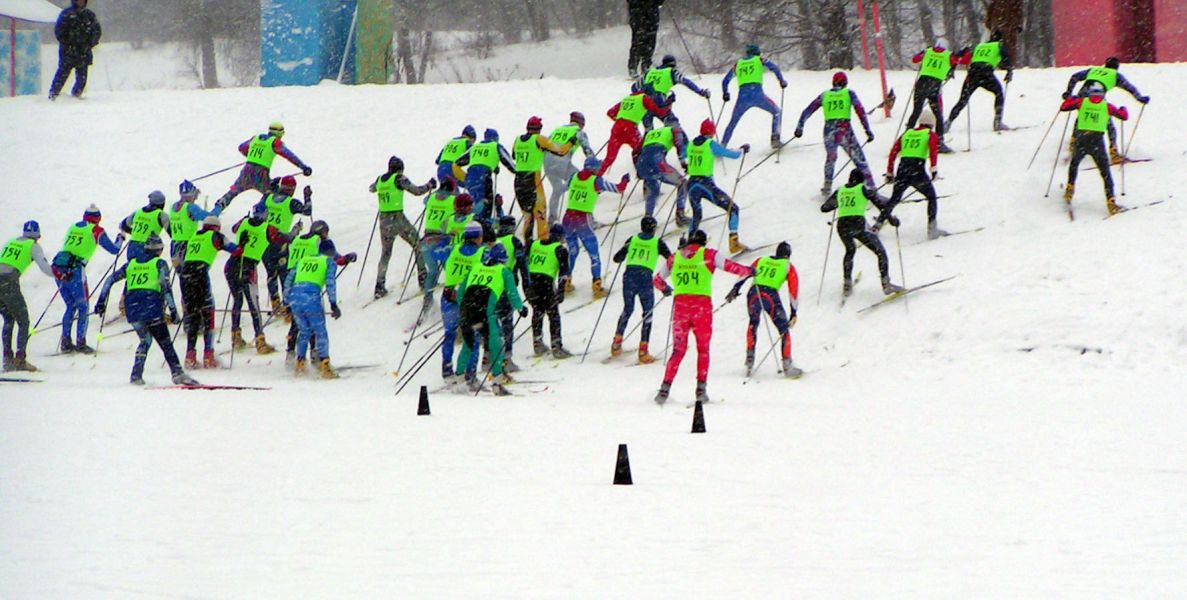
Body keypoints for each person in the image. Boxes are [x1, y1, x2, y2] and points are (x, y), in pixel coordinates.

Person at [651, 229, 753, 404]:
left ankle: (664, 390)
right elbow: (730, 266)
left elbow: (657, 280)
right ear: (704, 242)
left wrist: (666, 289)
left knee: (678, 350)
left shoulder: (674, 258)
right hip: (702, 308)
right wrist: (749, 270)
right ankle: (700, 390)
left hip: (681, 308)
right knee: (703, 350)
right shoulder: (708, 255)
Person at [93, 235, 198, 386]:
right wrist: (173, 311)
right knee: (165, 342)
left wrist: (101, 301)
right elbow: (166, 287)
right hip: (151, 306)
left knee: (145, 339)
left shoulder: (131, 263)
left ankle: (136, 374)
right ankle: (177, 373)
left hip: (132, 309)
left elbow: (110, 280)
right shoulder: (159, 264)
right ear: (160, 250)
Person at [455, 244, 528, 395]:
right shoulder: (504, 271)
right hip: (485, 312)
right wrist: (521, 309)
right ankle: (497, 383)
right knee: (496, 345)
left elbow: (460, 292)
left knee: (468, 346)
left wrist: (464, 310)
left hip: (467, 310)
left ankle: (459, 380)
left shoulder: (475, 267)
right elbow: (512, 294)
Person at [51, 204, 123, 354]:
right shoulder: (96, 230)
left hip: (59, 267)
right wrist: (120, 238)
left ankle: (65, 341)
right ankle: (81, 342)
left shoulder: (74, 227)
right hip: (76, 269)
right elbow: (114, 250)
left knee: (70, 306)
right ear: (98, 219)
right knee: (83, 307)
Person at [821, 169, 905, 296]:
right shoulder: (862, 189)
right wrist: (892, 220)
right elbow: (881, 206)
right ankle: (886, 284)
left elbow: (825, 208)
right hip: (857, 224)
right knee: (880, 252)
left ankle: (847, 283)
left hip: (842, 226)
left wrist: (840, 202)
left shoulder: (840, 190)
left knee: (850, 250)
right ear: (862, 180)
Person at [725, 242, 802, 377]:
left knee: (753, 324)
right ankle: (787, 365)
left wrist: (735, 288)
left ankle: (750, 359)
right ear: (788, 256)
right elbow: (793, 291)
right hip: (770, 296)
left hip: (753, 294)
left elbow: (745, 272)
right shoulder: (788, 266)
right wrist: (793, 312)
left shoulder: (762, 260)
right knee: (784, 330)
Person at [793, 71, 877, 196]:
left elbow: (808, 110)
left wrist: (800, 127)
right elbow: (860, 111)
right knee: (858, 158)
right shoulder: (849, 93)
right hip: (844, 129)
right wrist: (867, 130)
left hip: (829, 131)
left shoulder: (825, 95)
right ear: (845, 83)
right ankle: (871, 187)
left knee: (831, 158)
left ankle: (827, 185)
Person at [562, 157, 630, 300]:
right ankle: (597, 285)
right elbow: (619, 188)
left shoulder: (574, 176)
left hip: (568, 218)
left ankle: (566, 281)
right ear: (594, 168)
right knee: (593, 253)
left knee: (572, 250)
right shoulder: (596, 180)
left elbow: (573, 187)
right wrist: (625, 180)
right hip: (582, 219)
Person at [369, 156, 436, 299]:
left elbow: (372, 188)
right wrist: (429, 185)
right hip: (397, 218)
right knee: (418, 244)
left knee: (386, 253)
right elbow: (417, 191)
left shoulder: (380, 179)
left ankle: (379, 286)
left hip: (384, 220)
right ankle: (423, 279)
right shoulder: (399, 179)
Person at [224, 204, 287, 354]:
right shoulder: (267, 228)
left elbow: (234, 228)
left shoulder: (244, 222)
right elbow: (281, 238)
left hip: (232, 264)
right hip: (248, 266)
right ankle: (260, 340)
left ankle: (235, 336)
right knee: (254, 305)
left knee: (237, 301)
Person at [1060, 82, 1129, 216]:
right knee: (1105, 173)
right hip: (1097, 141)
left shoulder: (1081, 102)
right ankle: (1111, 202)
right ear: (1103, 95)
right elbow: (1123, 116)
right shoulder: (1106, 106)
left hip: (1081, 139)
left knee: (1074, 165)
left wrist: (1070, 99)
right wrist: (1123, 108)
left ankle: (1070, 189)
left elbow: (1064, 107)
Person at [1062, 57, 1149, 164]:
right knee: (1108, 124)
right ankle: (1114, 153)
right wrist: (1140, 98)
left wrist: (1068, 92)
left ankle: (1074, 144)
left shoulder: (1093, 70)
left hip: (1082, 95)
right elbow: (1130, 88)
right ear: (1117, 67)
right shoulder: (1115, 75)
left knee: (1083, 118)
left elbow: (1075, 77)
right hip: (1097, 97)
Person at [609, 216, 672, 363]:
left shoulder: (633, 239)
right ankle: (643, 351)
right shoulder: (657, 242)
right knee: (647, 313)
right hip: (644, 277)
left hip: (629, 276)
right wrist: (664, 286)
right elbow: (671, 260)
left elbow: (617, 258)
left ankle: (616, 342)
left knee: (628, 309)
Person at [284, 231, 345, 379]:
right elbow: (330, 283)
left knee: (304, 331)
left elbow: (288, 279)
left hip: (295, 297)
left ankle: (299, 363)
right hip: (311, 297)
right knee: (320, 331)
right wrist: (333, 304)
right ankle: (325, 365)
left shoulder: (303, 260)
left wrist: (287, 300)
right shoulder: (328, 262)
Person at [179, 215, 236, 369]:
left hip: (185, 275)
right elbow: (234, 250)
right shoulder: (215, 236)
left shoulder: (194, 236)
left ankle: (190, 355)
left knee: (192, 316)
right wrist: (242, 244)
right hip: (200, 274)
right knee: (207, 313)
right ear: (216, 227)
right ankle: (208, 355)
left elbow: (181, 255)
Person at [879, 109, 946, 239]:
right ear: (932, 124)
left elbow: (894, 151)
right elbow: (933, 152)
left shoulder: (907, 133)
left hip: (902, 168)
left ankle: (877, 225)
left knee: (895, 198)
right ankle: (932, 229)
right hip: (917, 170)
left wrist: (889, 172)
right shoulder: (930, 135)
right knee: (931, 197)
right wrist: (934, 171)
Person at [214, 122, 312, 210]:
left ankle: (217, 209)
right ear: (279, 133)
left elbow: (242, 147)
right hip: (261, 173)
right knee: (271, 193)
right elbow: (289, 155)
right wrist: (303, 167)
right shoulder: (275, 142)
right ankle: (260, 211)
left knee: (234, 190)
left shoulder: (256, 138)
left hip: (247, 170)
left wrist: (250, 156)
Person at [686, 119, 750, 253]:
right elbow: (731, 154)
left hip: (691, 184)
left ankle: (689, 241)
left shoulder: (691, 144)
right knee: (733, 208)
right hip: (705, 183)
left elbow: (685, 155)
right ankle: (734, 242)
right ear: (712, 132)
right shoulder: (710, 144)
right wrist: (742, 150)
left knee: (697, 214)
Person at [252, 176, 311, 319]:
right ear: (292, 190)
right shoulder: (291, 203)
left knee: (271, 273)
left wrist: (270, 189)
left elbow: (257, 209)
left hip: (265, 241)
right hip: (280, 242)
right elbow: (307, 211)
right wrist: (307, 196)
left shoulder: (269, 198)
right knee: (284, 274)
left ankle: (275, 302)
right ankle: (288, 306)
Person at [0, 221, 55, 372]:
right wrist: (59, 273)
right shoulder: (33, 246)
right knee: (24, 321)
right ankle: (20, 360)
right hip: (9, 282)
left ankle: (7, 359)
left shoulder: (11, 242)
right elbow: (45, 269)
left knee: (9, 319)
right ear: (38, 234)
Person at [513, 116, 573, 241]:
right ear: (539, 129)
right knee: (540, 214)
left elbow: (514, 155)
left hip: (518, 180)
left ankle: (527, 248)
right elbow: (561, 151)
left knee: (527, 217)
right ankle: (543, 242)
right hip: (533, 179)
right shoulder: (539, 139)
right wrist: (571, 142)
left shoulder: (517, 140)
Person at [946, 30, 1015, 133]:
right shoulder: (998, 45)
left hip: (972, 73)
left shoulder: (979, 46)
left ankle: (948, 122)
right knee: (999, 93)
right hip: (986, 73)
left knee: (962, 100)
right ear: (1000, 39)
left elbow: (960, 54)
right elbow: (1006, 58)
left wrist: (952, 68)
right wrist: (1009, 71)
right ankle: (997, 121)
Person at [439, 222, 484, 382]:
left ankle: (446, 369)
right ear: (479, 237)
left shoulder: (454, 248)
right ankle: (470, 374)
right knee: (472, 337)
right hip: (468, 300)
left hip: (448, 295)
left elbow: (439, 254)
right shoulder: (481, 254)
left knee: (449, 334)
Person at [720, 44, 788, 148]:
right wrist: (781, 81)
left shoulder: (738, 63)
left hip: (742, 97)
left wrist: (726, 93)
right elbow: (774, 68)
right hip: (757, 94)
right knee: (776, 112)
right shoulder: (759, 60)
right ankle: (775, 139)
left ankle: (722, 145)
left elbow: (725, 81)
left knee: (733, 122)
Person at [525, 224, 573, 358]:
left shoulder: (534, 244)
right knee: (553, 315)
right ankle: (557, 346)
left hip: (533, 282)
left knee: (537, 312)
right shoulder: (559, 250)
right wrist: (561, 291)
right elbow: (563, 273)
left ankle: (537, 342)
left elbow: (525, 261)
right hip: (546, 284)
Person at [599, 88, 670, 176]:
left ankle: (596, 177)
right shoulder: (644, 98)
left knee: (609, 158)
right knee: (641, 152)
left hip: (617, 128)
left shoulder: (627, 98)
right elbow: (658, 111)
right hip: (630, 129)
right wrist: (668, 105)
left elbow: (610, 113)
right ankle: (644, 173)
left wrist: (621, 120)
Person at [906, 39, 959, 153]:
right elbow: (956, 61)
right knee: (938, 115)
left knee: (916, 111)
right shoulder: (948, 55)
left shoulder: (927, 51)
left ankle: (906, 137)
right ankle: (939, 142)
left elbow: (915, 59)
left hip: (922, 83)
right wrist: (951, 71)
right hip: (934, 86)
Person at [543, 112, 597, 224]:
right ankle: (588, 220)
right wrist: (595, 167)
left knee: (557, 190)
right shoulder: (578, 132)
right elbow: (587, 150)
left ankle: (552, 219)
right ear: (581, 123)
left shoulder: (557, 130)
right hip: (561, 161)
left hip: (547, 163)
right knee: (582, 183)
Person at [636, 123, 689, 224]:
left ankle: (648, 219)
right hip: (657, 160)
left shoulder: (650, 133)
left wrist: (638, 170)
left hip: (642, 162)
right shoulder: (675, 129)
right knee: (682, 183)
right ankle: (680, 215)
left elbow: (636, 151)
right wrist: (683, 162)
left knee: (652, 190)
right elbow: (679, 144)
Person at [494, 216, 528, 371]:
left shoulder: (493, 240)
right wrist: (527, 284)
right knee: (507, 322)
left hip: (491, 285)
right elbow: (522, 264)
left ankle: (489, 357)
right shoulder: (514, 241)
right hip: (507, 284)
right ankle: (506, 358)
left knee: (493, 323)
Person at [458, 128, 515, 222]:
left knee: (474, 204)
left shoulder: (475, 147)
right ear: (496, 138)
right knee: (486, 205)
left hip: (470, 178)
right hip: (484, 177)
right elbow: (509, 163)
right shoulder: (496, 146)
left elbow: (459, 161)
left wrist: (489, 164)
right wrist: (519, 172)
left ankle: (469, 224)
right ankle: (483, 227)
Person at [49, 0, 101, 100]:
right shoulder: (66, 14)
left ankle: (76, 96)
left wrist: (89, 43)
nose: (80, 2)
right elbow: (59, 32)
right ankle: (53, 95)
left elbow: (97, 31)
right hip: (68, 52)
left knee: (82, 78)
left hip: (84, 52)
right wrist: (69, 43)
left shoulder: (89, 15)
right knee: (62, 74)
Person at [642, 55, 711, 129]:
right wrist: (701, 92)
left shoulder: (649, 72)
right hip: (659, 101)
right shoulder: (671, 72)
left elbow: (635, 87)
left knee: (648, 132)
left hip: (644, 102)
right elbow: (685, 81)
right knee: (674, 128)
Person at [419, 178, 458, 303]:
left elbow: (425, 200)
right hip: (442, 240)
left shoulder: (431, 198)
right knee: (450, 269)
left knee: (433, 271)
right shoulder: (453, 200)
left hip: (426, 240)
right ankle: (452, 297)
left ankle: (427, 298)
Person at [167, 180, 221, 267]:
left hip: (174, 245)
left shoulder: (173, 207)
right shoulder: (191, 208)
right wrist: (219, 207)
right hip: (188, 245)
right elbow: (210, 217)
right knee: (190, 274)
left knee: (181, 274)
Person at [119, 191, 170, 262]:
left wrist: (133, 232)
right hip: (149, 248)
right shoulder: (161, 215)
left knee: (133, 269)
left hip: (132, 246)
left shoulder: (138, 212)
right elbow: (173, 232)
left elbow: (123, 225)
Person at [627, 0, 665, 79]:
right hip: (638, 12)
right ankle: (634, 67)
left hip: (650, 13)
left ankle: (645, 66)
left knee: (649, 41)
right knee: (639, 40)